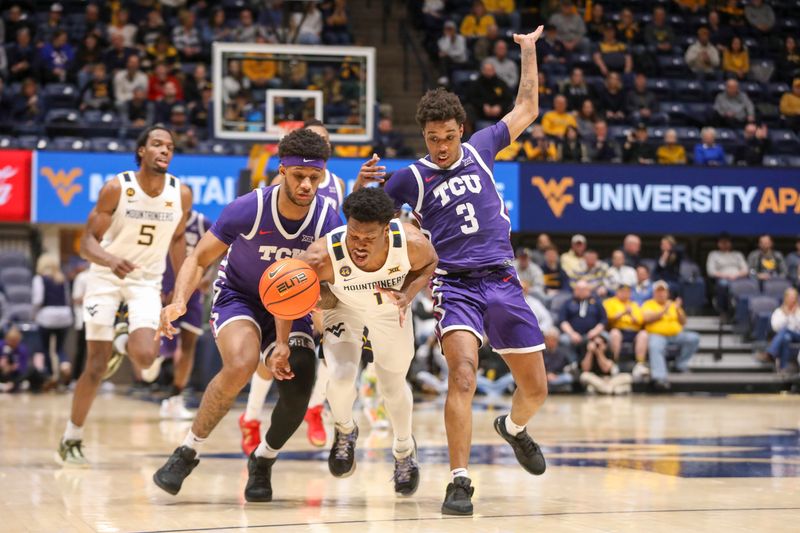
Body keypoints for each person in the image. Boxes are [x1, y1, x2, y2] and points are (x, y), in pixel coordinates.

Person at [362, 26, 548, 516]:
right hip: (454, 286)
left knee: (536, 390)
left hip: (502, 280)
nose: (441, 146)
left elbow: (527, 108)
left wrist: (528, 51)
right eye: (432, 139)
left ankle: (513, 428)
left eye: (447, 137)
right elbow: (361, 220)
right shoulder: (412, 176)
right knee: (461, 376)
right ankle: (459, 480)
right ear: (423, 137)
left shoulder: (484, 149)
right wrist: (357, 187)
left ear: (461, 131)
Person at [152, 128, 342, 502]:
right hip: (240, 296)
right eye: (299, 176)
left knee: (300, 383)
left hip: (291, 306)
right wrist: (178, 300)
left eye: (314, 178)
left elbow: (330, 289)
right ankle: (188, 451)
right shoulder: (249, 207)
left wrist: (315, 321)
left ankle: (264, 459)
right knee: (241, 363)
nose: (306, 185)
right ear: (282, 170)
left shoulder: (327, 221)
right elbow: (198, 257)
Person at [275, 187, 437, 495]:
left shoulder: (412, 243)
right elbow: (285, 295)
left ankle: (404, 449)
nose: (360, 245)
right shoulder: (322, 255)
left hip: (389, 309)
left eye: (369, 238)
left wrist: (409, 294)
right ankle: (345, 430)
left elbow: (431, 262)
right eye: (354, 236)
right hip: (344, 308)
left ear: (387, 230)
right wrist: (284, 342)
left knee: (392, 386)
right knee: (340, 375)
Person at [56, 126, 192, 466]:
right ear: (141, 151)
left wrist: (180, 288)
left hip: (146, 280)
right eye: (157, 144)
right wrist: (109, 259)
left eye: (170, 146)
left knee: (146, 358)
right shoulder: (117, 188)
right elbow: (87, 241)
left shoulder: (181, 194)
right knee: (95, 366)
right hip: (105, 277)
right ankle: (72, 436)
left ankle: (123, 342)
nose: (164, 150)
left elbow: (177, 240)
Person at [241, 120, 350, 455]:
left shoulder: (339, 184)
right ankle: (251, 418)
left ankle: (316, 408)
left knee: (333, 348)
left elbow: (337, 234)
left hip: (318, 278)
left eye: (322, 142)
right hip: (282, 274)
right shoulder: (282, 182)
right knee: (270, 354)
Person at [158, 210, 214, 419]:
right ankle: (154, 360)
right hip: (164, 289)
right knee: (161, 346)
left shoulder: (202, 222)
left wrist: (208, 276)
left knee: (189, 344)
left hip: (193, 291)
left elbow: (216, 251)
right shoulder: (166, 218)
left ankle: (175, 397)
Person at [642, 281, 700, 391]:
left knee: (693, 338)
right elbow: (646, 318)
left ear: (667, 293)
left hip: (676, 335)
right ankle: (659, 378)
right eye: (658, 292)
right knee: (654, 346)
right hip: (657, 335)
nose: (661, 294)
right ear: (654, 293)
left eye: (663, 292)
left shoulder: (674, 305)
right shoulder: (648, 304)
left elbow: (683, 322)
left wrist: (678, 309)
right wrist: (663, 311)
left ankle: (680, 365)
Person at [32, 253, 73, 389]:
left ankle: (50, 375)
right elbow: (67, 299)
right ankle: (65, 365)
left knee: (45, 348)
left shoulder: (39, 279)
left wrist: (34, 314)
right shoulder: (62, 279)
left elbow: (37, 300)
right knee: (59, 348)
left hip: (47, 316)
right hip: (64, 315)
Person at [603, 283, 649, 378]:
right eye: (623, 291)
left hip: (634, 331)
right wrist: (623, 312)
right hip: (617, 329)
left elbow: (640, 321)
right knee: (615, 334)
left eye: (628, 292)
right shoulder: (609, 302)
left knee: (644, 334)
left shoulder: (634, 304)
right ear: (617, 292)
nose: (625, 293)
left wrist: (631, 314)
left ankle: (640, 364)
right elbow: (608, 318)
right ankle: (614, 363)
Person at [558, 280, 607, 362]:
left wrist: (595, 332)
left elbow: (603, 320)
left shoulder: (596, 303)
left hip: (593, 333)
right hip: (573, 334)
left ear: (589, 290)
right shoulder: (568, 303)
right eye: (578, 289)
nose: (581, 292)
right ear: (574, 290)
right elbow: (563, 321)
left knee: (606, 337)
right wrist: (572, 333)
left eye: (583, 289)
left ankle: (602, 364)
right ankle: (573, 364)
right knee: (564, 340)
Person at [706, 232, 748, 315]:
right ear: (718, 244)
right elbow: (710, 271)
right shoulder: (713, 255)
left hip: (738, 278)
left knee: (749, 285)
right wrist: (726, 276)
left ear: (730, 243)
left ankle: (743, 313)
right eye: (722, 242)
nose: (725, 244)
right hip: (722, 279)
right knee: (723, 284)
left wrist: (736, 275)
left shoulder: (737, 254)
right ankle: (724, 311)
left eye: (727, 242)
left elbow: (746, 270)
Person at [0, 326, 46, 393]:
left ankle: (36, 387)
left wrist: (13, 368)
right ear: (6, 339)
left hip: (14, 375)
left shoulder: (22, 349)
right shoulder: (1, 345)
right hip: (2, 373)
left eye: (15, 341)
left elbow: (23, 368)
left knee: (33, 370)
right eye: (11, 340)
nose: (13, 343)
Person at [765, 288, 800, 374]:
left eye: (794, 297)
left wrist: (794, 314)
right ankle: (784, 368)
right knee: (785, 337)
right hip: (786, 337)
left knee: (785, 331)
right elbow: (775, 327)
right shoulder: (779, 312)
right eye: (790, 297)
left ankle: (771, 353)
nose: (792, 299)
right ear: (786, 298)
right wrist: (787, 315)